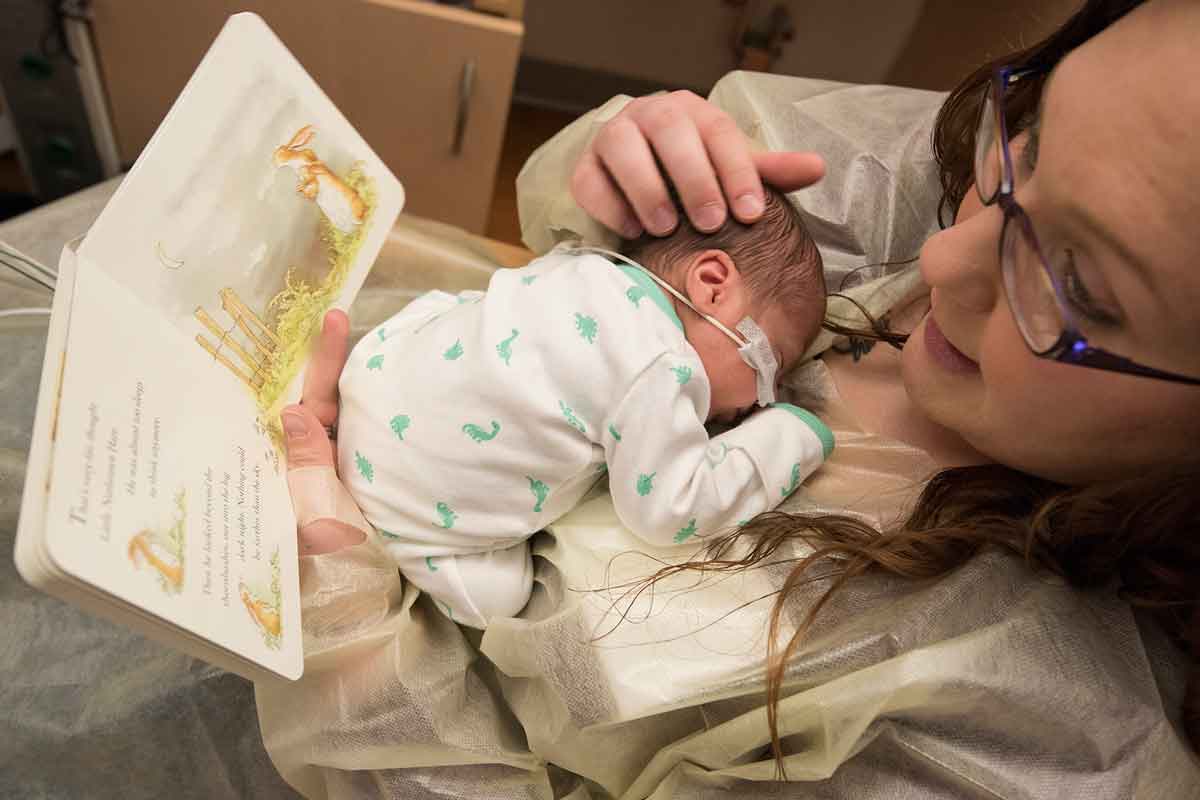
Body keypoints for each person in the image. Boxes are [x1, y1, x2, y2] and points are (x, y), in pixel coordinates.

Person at [268, 0, 1199, 793]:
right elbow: (565, 275)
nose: (942, 255)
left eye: (1074, 285)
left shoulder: (1032, 740)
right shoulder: (896, 180)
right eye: (1025, 150)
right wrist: (628, 188)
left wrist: (349, 638)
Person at [334, 189, 830, 628]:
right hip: (400, 498)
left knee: (465, 309)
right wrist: (791, 431)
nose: (760, 399)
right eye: (772, 366)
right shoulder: (659, 366)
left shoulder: (585, 262)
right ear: (713, 285)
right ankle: (379, 524)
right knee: (500, 600)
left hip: (370, 380)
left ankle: (327, 437)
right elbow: (671, 509)